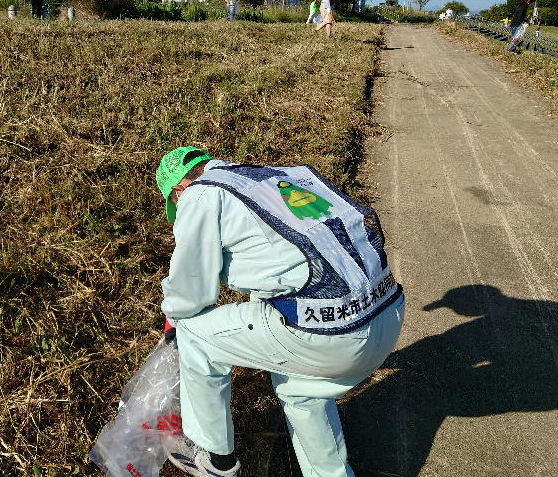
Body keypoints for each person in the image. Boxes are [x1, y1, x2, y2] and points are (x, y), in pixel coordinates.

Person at [156, 147, 405, 477]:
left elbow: (191, 290)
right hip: (386, 312)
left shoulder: (200, 194)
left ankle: (215, 459)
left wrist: (172, 320)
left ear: (177, 190)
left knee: (193, 336)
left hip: (332, 336)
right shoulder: (278, 176)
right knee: (301, 393)